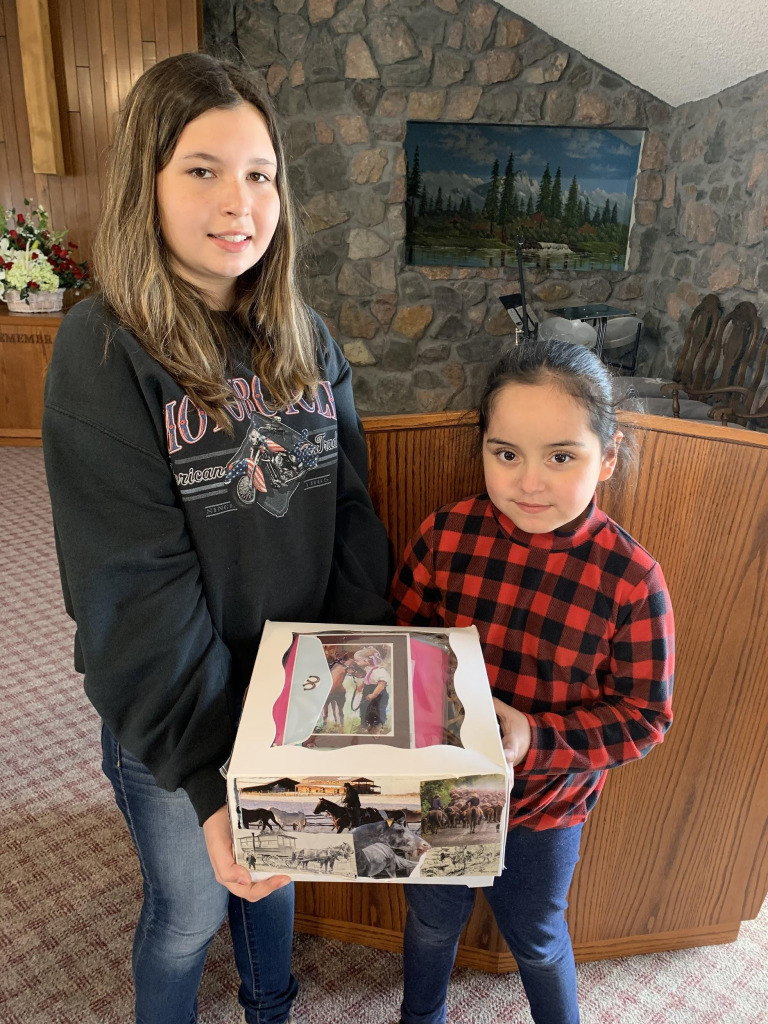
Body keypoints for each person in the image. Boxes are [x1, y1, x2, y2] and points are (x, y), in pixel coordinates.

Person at [42, 52, 392, 1024]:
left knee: (277, 876)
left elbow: (351, 519)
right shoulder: (103, 349)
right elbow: (132, 589)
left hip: (295, 696)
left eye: (260, 173)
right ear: (146, 182)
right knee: (190, 911)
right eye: (203, 169)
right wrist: (211, 776)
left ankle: (271, 1007)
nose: (239, 201)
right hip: (175, 716)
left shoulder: (308, 336)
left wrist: (346, 680)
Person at [390, 339, 674, 1024]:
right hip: (443, 790)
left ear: (608, 457)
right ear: (483, 449)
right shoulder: (445, 536)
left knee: (538, 939)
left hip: (548, 808)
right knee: (431, 923)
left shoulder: (632, 579)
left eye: (562, 456)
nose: (529, 483)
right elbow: (400, 646)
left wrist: (535, 737)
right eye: (507, 454)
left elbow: (644, 718)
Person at [353, 645, 391, 733]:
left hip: (378, 692)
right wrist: (362, 685)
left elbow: (381, 684)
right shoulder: (369, 669)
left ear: (366, 660)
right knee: (364, 707)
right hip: (367, 690)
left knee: (378, 709)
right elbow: (367, 679)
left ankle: (378, 725)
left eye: (358, 660)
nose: (356, 662)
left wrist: (374, 694)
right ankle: (365, 724)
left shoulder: (380, 671)